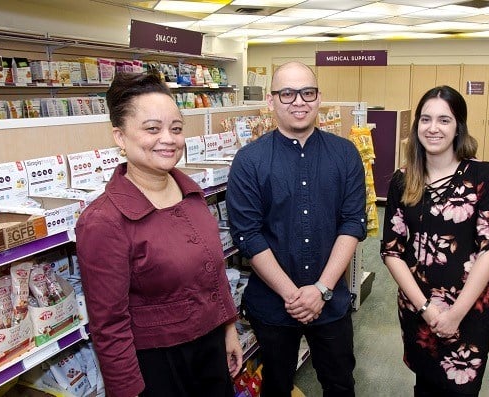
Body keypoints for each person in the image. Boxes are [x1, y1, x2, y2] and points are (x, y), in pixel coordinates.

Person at [75, 72, 242, 397]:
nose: (168, 138)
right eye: (152, 129)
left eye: (176, 128)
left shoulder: (192, 195)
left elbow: (213, 270)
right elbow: (109, 325)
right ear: (120, 137)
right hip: (157, 367)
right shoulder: (103, 220)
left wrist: (229, 328)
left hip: (210, 352)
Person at [226, 61, 367, 397]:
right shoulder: (249, 161)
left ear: (319, 99)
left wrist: (320, 289)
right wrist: (294, 295)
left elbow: (352, 224)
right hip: (274, 306)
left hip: (330, 301)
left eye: (307, 92)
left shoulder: (345, 154)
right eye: (287, 93)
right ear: (271, 101)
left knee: (340, 383)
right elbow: (248, 234)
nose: (299, 101)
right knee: (276, 385)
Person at [380, 85, 489, 397]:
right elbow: (391, 250)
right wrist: (427, 310)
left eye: (444, 120)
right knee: (425, 386)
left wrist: (454, 314)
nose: (433, 128)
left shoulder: (482, 176)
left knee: (460, 390)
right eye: (425, 119)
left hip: (467, 314)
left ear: (458, 126)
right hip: (418, 312)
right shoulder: (402, 179)